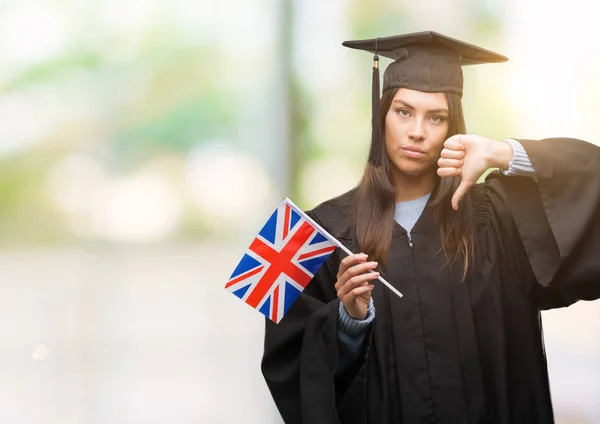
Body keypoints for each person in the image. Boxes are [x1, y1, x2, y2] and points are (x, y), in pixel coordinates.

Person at [261, 31, 600, 424]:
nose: (417, 131)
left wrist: (501, 152)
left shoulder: (498, 217)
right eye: (403, 111)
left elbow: (590, 182)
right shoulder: (318, 231)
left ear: (453, 126)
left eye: (435, 117)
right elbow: (287, 367)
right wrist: (348, 322)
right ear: (381, 114)